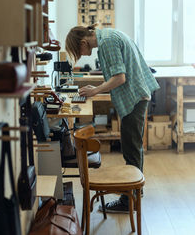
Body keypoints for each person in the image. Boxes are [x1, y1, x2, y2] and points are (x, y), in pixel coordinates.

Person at [65, 24, 160, 213]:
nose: (83, 55)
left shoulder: (107, 42)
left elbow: (120, 78)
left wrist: (96, 90)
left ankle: (129, 200)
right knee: (133, 147)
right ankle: (134, 193)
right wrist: (99, 85)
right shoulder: (109, 35)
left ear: (84, 41)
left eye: (80, 51)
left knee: (131, 149)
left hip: (134, 97)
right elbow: (116, 73)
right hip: (137, 95)